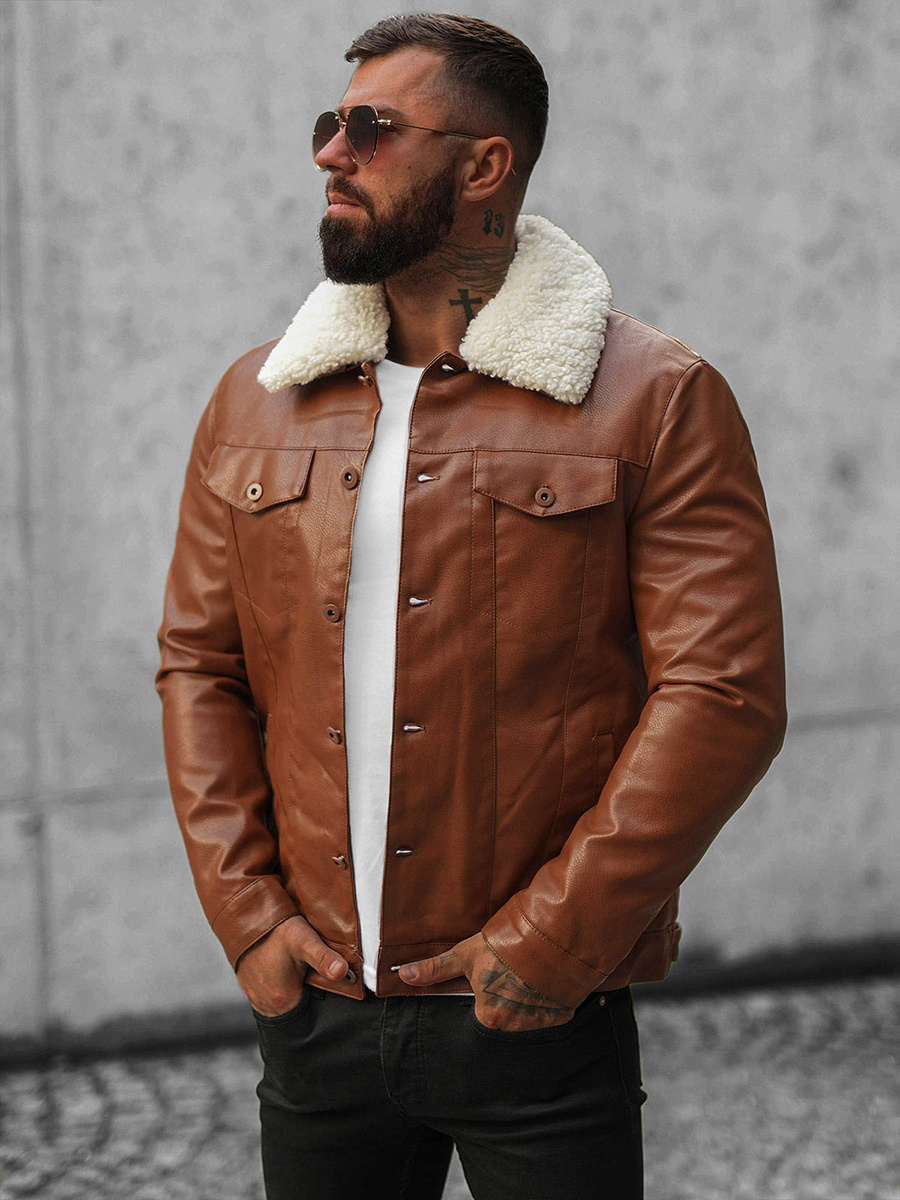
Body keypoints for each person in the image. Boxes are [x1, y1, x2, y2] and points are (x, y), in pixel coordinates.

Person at [154, 13, 787, 1200]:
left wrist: (554, 945)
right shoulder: (255, 400)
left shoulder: (656, 399)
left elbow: (725, 694)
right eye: (329, 125)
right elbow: (199, 666)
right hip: (314, 1012)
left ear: (485, 165)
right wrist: (250, 924)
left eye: (372, 128)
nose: (331, 153)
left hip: (536, 1016)